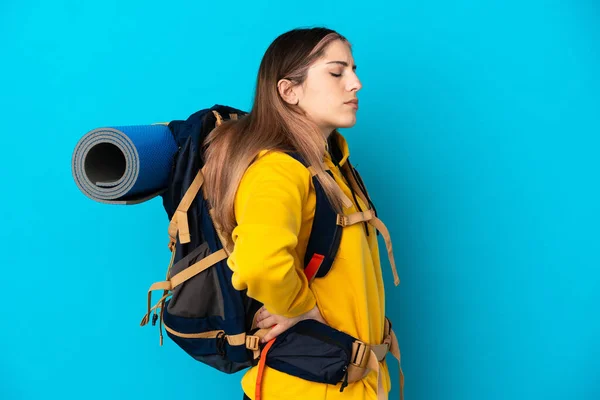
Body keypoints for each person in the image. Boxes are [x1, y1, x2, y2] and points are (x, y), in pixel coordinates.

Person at [203, 27, 395, 400]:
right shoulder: (277, 169)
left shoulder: (331, 166)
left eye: (353, 70)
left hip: (345, 385)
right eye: (337, 72)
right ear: (288, 91)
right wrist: (302, 308)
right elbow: (260, 262)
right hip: (307, 389)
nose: (355, 84)